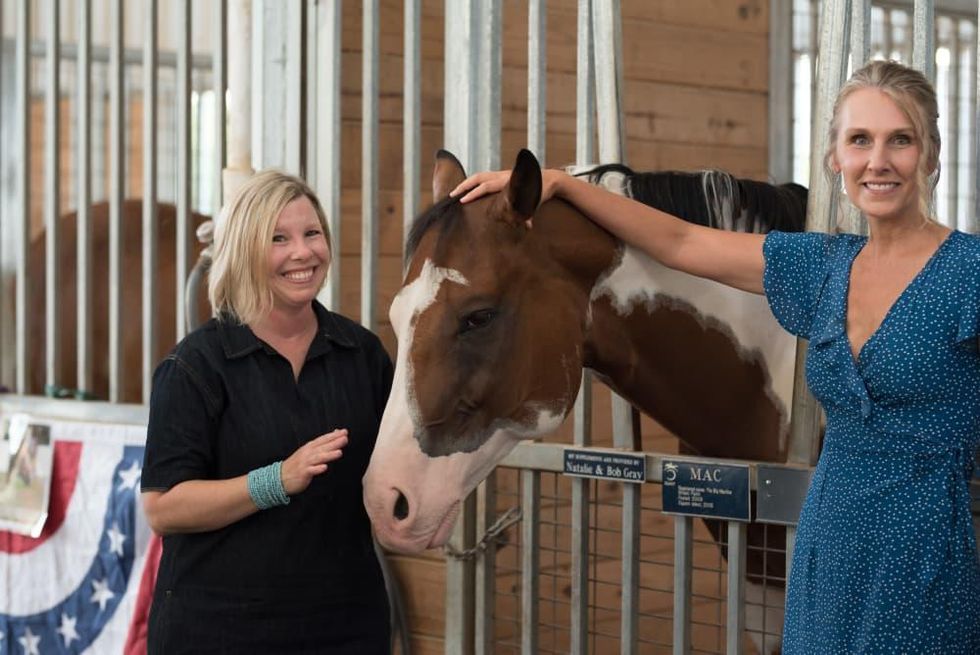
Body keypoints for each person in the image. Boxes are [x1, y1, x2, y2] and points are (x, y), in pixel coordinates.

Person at [452, 59, 980, 654]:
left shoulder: (969, 273)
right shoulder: (823, 265)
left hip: (926, 558)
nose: (877, 161)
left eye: (900, 140)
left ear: (930, 154)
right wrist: (567, 185)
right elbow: (682, 242)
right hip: (827, 549)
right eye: (860, 140)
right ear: (836, 158)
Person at [140, 170, 393, 653]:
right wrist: (275, 481)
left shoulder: (362, 354)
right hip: (220, 629)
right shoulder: (195, 366)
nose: (302, 252)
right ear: (245, 249)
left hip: (345, 624)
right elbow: (162, 506)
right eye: (279, 238)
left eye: (312, 233)